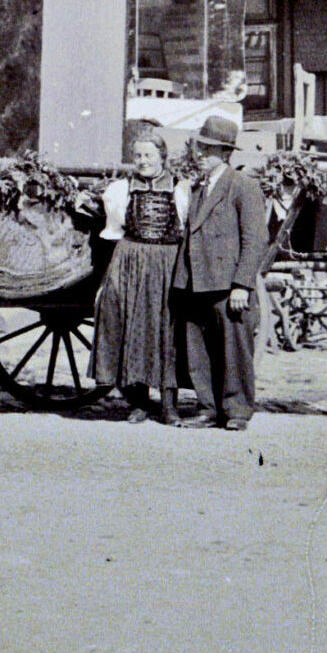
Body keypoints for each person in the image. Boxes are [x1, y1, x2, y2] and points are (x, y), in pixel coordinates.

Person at [171, 114, 269, 432]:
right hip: (197, 281)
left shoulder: (243, 187)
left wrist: (242, 284)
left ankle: (237, 410)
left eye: (208, 149)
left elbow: (255, 240)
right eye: (200, 147)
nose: (200, 154)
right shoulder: (198, 190)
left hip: (227, 284)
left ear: (225, 153)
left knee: (234, 348)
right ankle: (207, 408)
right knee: (198, 347)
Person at [93, 132, 189, 423]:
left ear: (162, 156)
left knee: (167, 329)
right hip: (130, 259)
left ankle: (170, 404)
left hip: (166, 261)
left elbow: (186, 230)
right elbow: (114, 232)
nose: (143, 161)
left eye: (149, 155)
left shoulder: (180, 189)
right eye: (138, 156)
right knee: (130, 325)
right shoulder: (120, 189)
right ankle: (139, 402)